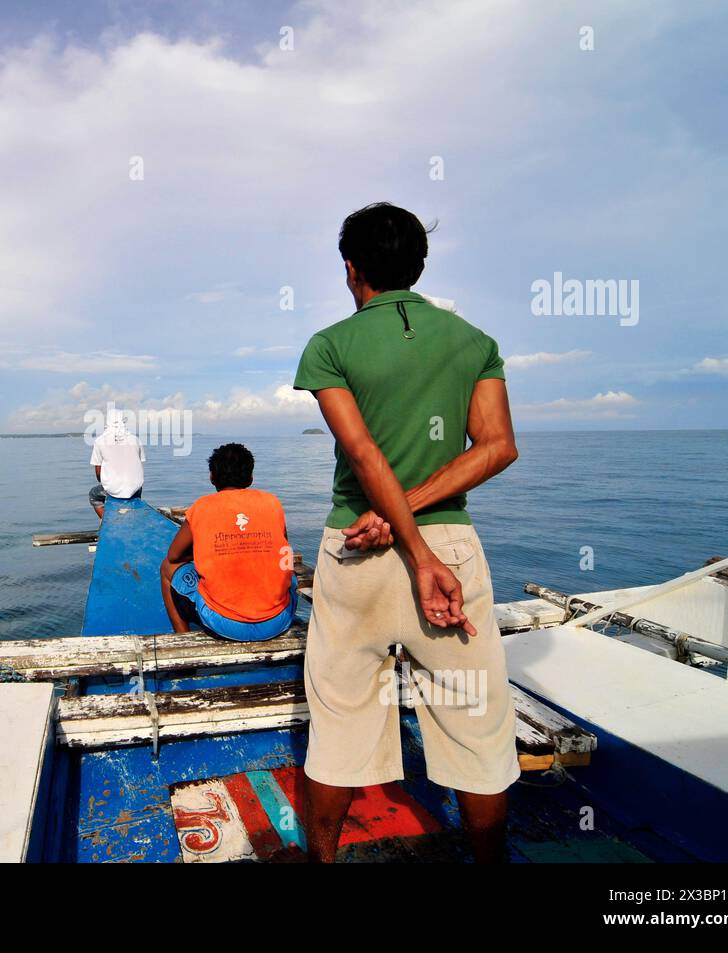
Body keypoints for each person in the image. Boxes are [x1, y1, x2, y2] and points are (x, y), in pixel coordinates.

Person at [293, 202, 520, 863]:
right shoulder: (473, 341)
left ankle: (323, 860)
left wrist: (398, 530)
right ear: (418, 266)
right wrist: (419, 529)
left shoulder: (330, 345)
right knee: (477, 725)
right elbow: (498, 445)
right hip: (449, 552)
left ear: (350, 269)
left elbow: (363, 453)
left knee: (337, 724)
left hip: (359, 552)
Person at [159, 443, 298, 642]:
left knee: (166, 568)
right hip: (278, 620)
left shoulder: (202, 507)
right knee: (288, 569)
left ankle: (182, 638)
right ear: (250, 477)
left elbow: (174, 556)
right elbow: (282, 549)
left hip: (226, 624)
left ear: (212, 477)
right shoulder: (272, 502)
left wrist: (207, 551)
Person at [89, 414, 144, 518]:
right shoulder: (136, 440)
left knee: (93, 495)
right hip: (135, 489)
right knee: (136, 489)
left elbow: (98, 474)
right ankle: (134, 514)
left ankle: (107, 520)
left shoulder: (100, 441)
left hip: (112, 489)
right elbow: (139, 466)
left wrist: (110, 482)